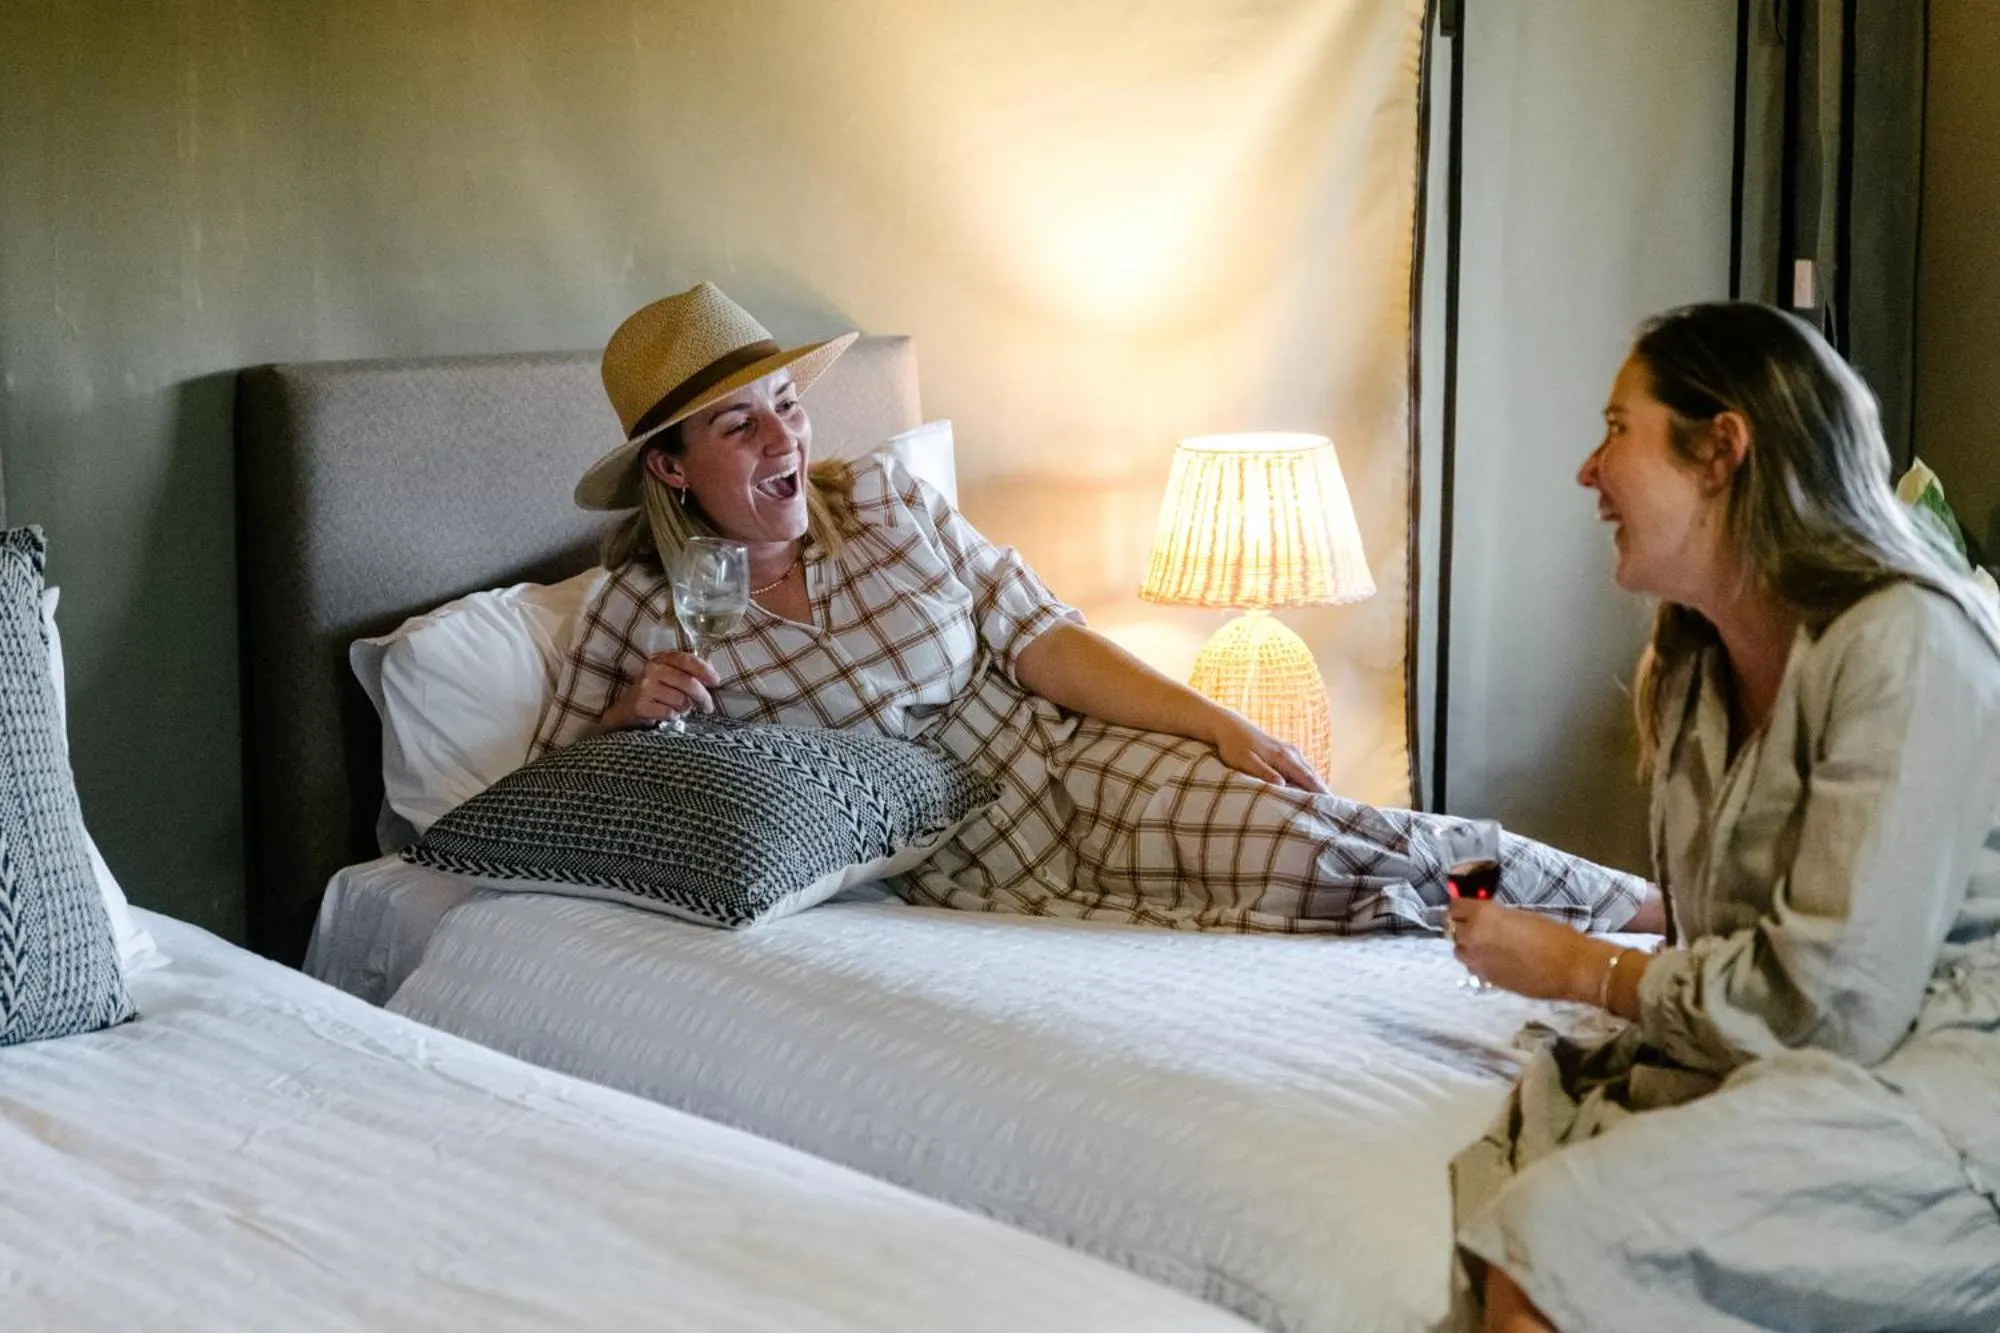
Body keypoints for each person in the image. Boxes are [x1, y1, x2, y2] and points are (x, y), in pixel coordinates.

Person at [533, 281, 1651, 934]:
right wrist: (629, 719)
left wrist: (1215, 721)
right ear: (670, 468)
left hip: (1084, 768)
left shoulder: (881, 501)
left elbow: (1042, 638)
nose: (786, 437)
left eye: (786, 404)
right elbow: (543, 793)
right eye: (740, 426)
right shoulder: (638, 611)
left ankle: (1637, 915)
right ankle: (1593, 930)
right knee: (1328, 894)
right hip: (965, 861)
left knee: (1341, 844)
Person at [1444, 302, 2000, 1331]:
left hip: (1941, 1095)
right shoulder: (1692, 669)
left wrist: (1585, 969)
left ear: (1720, 451)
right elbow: (1732, 945)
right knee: (1526, 1211)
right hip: (1796, 1076)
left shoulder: (1906, 644)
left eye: (1617, 429)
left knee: (1554, 1239)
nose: (1587, 470)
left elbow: (1836, 1003)